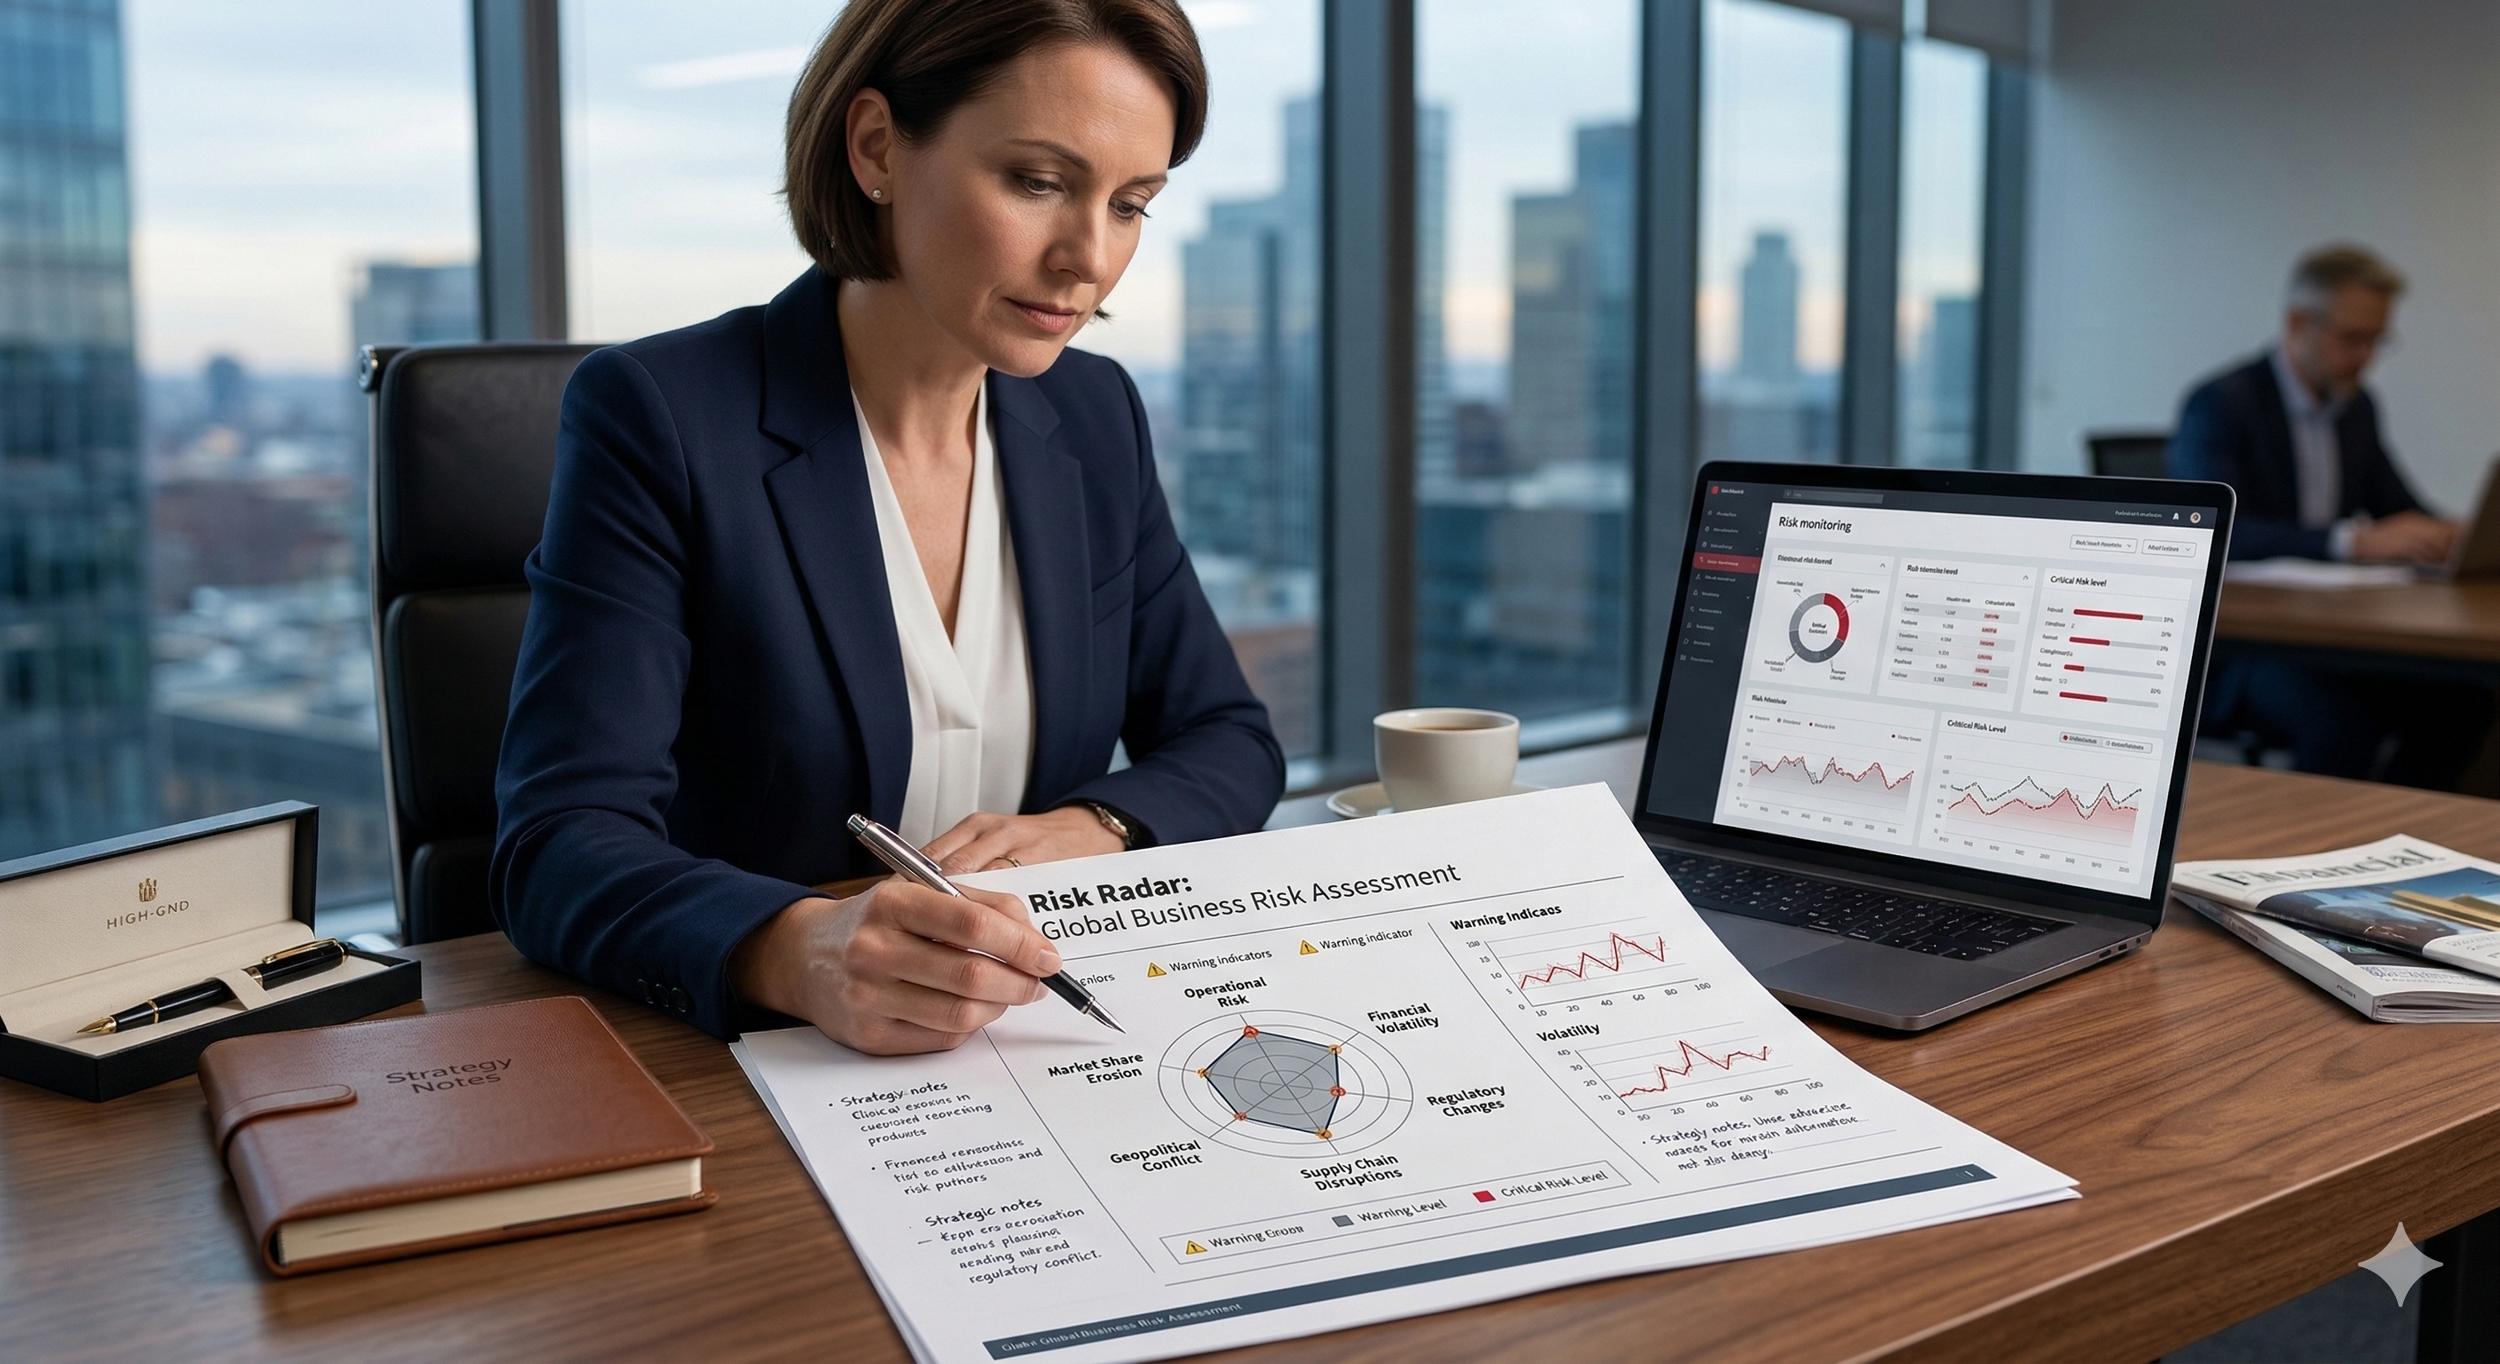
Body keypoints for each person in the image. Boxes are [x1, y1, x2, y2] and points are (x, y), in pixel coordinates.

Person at [492, 0, 1283, 1055]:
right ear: (876, 148)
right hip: (760, 1068)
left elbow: (1228, 738)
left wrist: (1095, 827)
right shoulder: (663, 416)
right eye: (1038, 183)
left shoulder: (1093, 417)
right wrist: (797, 947)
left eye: (1130, 203)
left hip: (1028, 1047)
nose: (1087, 258)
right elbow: (555, 845)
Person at [2168, 244, 2488, 785]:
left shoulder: (2356, 407)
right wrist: (2351, 543)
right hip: (2240, 648)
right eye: (2352, 338)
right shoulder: (2223, 403)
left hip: (2330, 638)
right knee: (2341, 720)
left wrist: (2458, 533)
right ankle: (2312, 856)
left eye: (2377, 340)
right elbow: (2214, 531)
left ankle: (2397, 835)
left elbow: (2399, 507)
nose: (2366, 356)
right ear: (2299, 322)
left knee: (2465, 704)